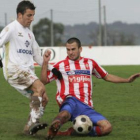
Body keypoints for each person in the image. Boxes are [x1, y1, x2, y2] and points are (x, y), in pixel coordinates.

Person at [40, 37, 140, 140]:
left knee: (107, 128)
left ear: (80, 49)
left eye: (73, 49)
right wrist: (45, 63)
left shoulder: (90, 63)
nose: (70, 52)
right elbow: (44, 81)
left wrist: (127, 80)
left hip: (86, 107)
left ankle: (70, 132)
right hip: (70, 101)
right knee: (65, 114)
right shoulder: (60, 66)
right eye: (68, 50)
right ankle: (54, 127)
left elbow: (106, 76)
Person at [0, 0, 62, 136]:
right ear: (20, 15)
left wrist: (52, 69)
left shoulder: (30, 34)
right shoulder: (11, 28)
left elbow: (37, 57)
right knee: (40, 87)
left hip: (26, 72)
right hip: (14, 70)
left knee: (44, 98)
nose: (32, 19)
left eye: (33, 15)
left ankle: (28, 128)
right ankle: (35, 121)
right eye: (29, 15)